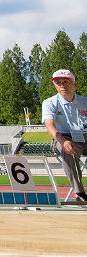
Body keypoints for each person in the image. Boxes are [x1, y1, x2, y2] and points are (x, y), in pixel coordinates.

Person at [42, 69, 87, 202]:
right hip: (64, 137)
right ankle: (80, 192)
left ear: (75, 84)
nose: (62, 85)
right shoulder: (49, 103)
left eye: (66, 82)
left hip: (84, 136)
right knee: (67, 149)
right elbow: (50, 125)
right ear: (55, 85)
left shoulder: (85, 101)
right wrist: (63, 142)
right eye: (58, 83)